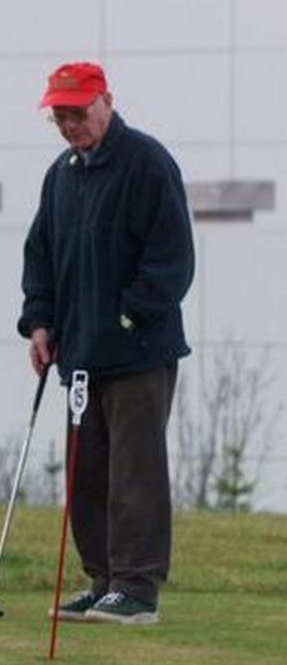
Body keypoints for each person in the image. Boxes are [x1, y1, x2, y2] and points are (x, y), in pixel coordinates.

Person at [19, 61, 194, 626]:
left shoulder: (147, 163)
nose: (70, 124)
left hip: (138, 352)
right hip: (81, 357)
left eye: (78, 111)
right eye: (60, 116)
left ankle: (137, 586)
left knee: (134, 472)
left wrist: (126, 317)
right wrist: (40, 321)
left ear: (107, 101)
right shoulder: (62, 176)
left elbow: (172, 261)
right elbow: (41, 256)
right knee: (87, 473)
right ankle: (102, 580)